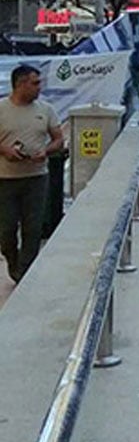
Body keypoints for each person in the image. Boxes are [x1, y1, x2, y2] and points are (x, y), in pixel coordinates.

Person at [0, 65, 64, 283]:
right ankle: (13, 261)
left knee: (33, 228)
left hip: (36, 177)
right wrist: (5, 150)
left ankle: (24, 275)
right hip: (5, 179)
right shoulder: (1, 109)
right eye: (35, 83)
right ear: (20, 84)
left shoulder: (45, 110)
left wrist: (45, 150)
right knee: (6, 230)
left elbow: (58, 139)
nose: (40, 87)